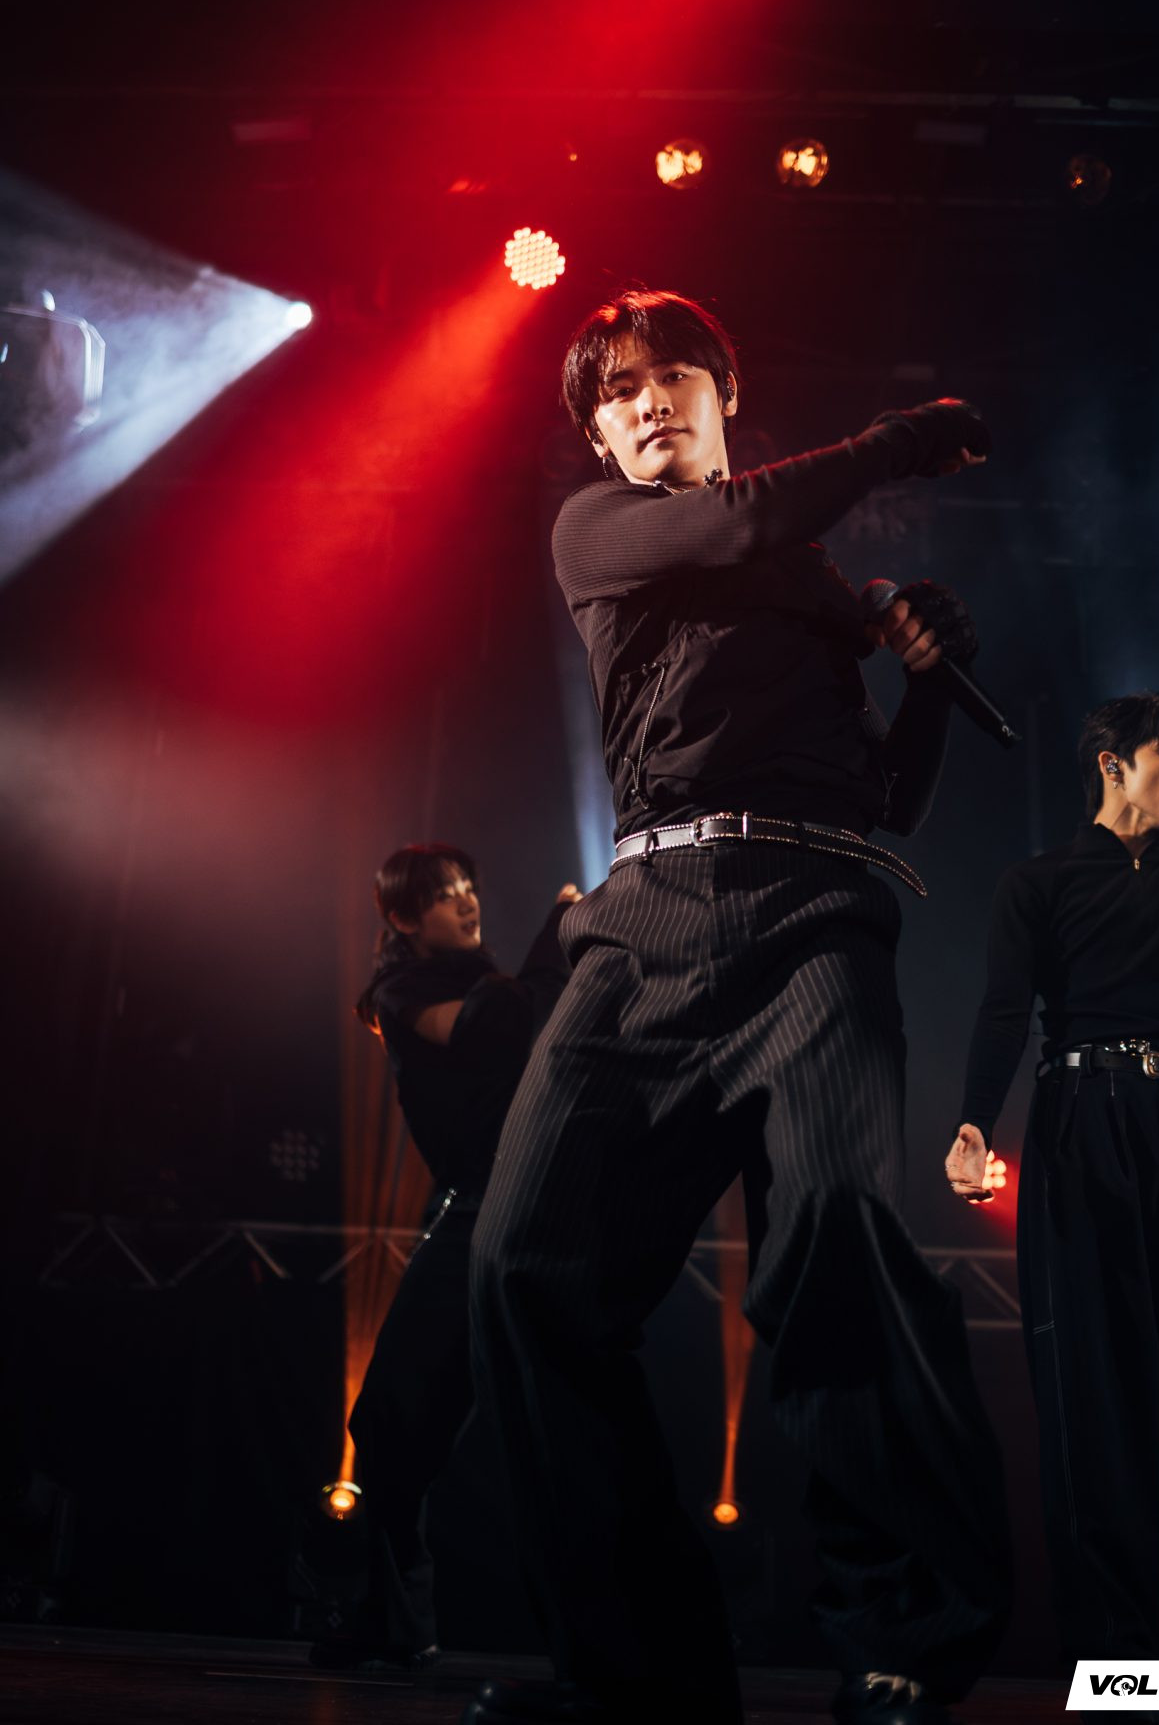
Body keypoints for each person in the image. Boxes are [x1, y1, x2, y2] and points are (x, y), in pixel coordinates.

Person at [465, 289, 1013, 1725]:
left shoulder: (817, 583)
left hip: (814, 917)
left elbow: (885, 798)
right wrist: (899, 440)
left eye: (674, 376)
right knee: (523, 1268)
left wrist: (930, 682)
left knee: (834, 1232)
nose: (647, 400)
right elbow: (736, 524)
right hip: (642, 928)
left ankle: (901, 1639)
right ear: (599, 435)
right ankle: (632, 1674)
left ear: (724, 395)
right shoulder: (600, 529)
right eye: (618, 390)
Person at [946, 691, 1159, 1718]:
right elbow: (1004, 1010)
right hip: (1082, 1129)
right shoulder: (1038, 881)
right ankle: (1124, 1677)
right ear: (1110, 763)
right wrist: (973, 1124)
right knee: (1096, 1404)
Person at [315, 842, 579, 1678]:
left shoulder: (494, 981)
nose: (466, 900)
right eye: (443, 893)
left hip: (519, 1207)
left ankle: (598, 1641)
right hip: (477, 1206)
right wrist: (554, 934)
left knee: (552, 1424)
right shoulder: (404, 993)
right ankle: (394, 1621)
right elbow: (494, 1028)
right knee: (391, 1423)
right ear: (402, 918)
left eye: (468, 885)